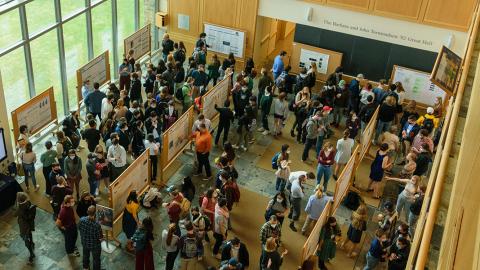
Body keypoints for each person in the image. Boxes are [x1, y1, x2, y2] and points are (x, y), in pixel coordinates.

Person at [78, 205, 103, 270]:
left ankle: (85, 267)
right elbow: (100, 237)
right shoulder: (97, 225)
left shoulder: (82, 219)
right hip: (95, 245)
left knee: (85, 255)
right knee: (96, 259)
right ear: (95, 214)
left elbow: (79, 228)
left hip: (85, 242)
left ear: (87, 212)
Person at [16, 192, 36, 265]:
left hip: (24, 227)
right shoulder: (28, 203)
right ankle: (32, 243)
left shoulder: (19, 209)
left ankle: (31, 253)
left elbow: (14, 214)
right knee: (30, 234)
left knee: (26, 241)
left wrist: (16, 205)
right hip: (30, 224)